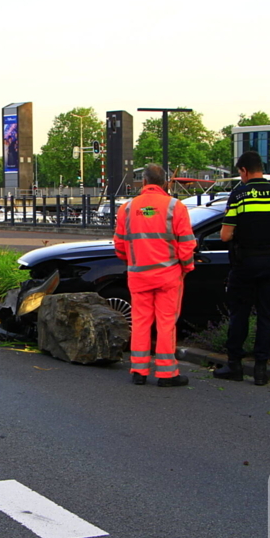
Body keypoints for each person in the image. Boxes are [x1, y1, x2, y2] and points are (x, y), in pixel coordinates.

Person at [214, 151, 270, 386]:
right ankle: (261, 370)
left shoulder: (239, 194)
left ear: (244, 171)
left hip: (245, 264)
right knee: (266, 316)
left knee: (239, 314)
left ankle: (235, 365)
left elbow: (225, 235)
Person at [114, 164, 196, 388]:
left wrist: (132, 261)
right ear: (165, 183)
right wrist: (187, 267)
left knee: (140, 322)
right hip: (168, 275)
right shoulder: (175, 207)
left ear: (143, 182)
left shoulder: (128, 209)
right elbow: (187, 244)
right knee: (166, 323)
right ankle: (166, 373)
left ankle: (139, 370)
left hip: (138, 276)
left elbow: (119, 245)